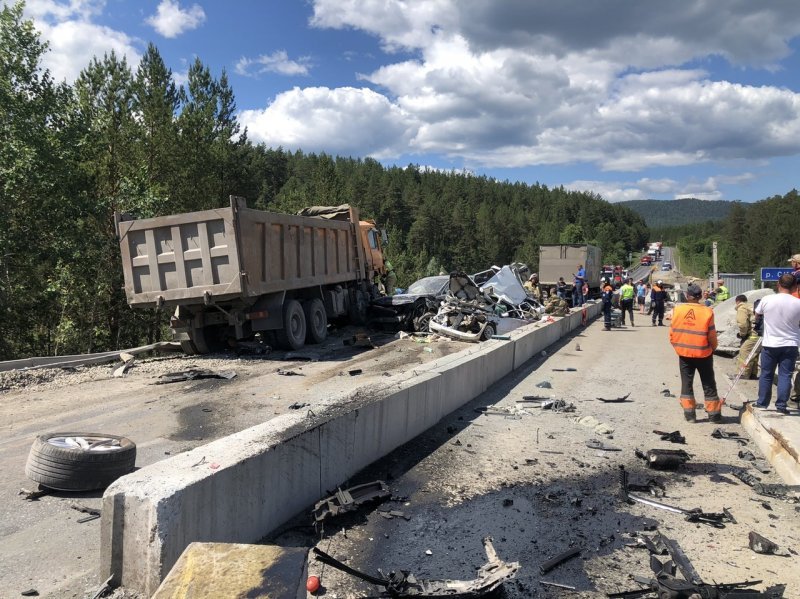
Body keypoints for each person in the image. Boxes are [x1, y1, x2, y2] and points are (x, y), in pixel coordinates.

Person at [669, 283, 721, 422]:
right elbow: (712, 335)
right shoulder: (707, 312)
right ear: (700, 296)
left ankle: (690, 415)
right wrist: (713, 348)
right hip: (703, 353)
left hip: (684, 353)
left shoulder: (677, 310)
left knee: (686, 383)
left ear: (687, 296)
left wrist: (677, 346)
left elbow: (672, 332)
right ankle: (714, 415)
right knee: (708, 382)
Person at [753, 273, 800, 414]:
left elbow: (757, 315)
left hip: (770, 343)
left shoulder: (767, 299)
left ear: (778, 285)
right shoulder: (798, 303)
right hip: (790, 343)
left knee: (766, 374)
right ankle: (781, 405)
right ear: (794, 287)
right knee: (785, 375)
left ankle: (762, 403)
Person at [735, 294, 759, 380]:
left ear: (737, 301)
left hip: (753, 334)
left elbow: (742, 324)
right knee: (754, 353)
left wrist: (742, 334)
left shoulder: (742, 308)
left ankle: (743, 373)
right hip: (760, 333)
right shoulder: (751, 306)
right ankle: (753, 373)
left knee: (744, 351)